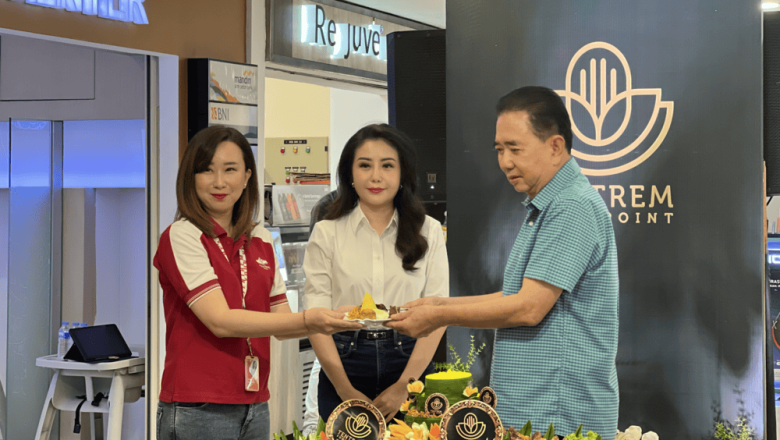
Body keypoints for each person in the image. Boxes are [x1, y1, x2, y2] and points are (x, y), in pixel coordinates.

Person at [387, 86, 619, 438]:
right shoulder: (547, 206)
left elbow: (529, 308)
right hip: (535, 410)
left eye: (515, 148)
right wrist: (439, 305)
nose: (505, 162)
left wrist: (439, 316)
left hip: (556, 412)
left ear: (556, 147)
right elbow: (517, 296)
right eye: (499, 150)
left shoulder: (571, 206)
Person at [153, 126, 361, 440]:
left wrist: (332, 319)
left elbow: (281, 324)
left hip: (255, 404)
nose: (219, 182)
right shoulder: (182, 236)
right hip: (198, 406)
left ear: (247, 177)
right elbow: (219, 321)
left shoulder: (260, 237)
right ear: (190, 178)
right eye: (207, 170)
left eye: (230, 169)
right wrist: (311, 319)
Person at [303, 124, 449, 422]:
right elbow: (316, 318)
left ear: (403, 173)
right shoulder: (326, 233)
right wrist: (344, 389)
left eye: (387, 165)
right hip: (344, 361)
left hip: (410, 361)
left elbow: (437, 315)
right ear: (350, 173)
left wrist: (405, 386)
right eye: (365, 165)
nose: (376, 176)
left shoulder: (429, 231)